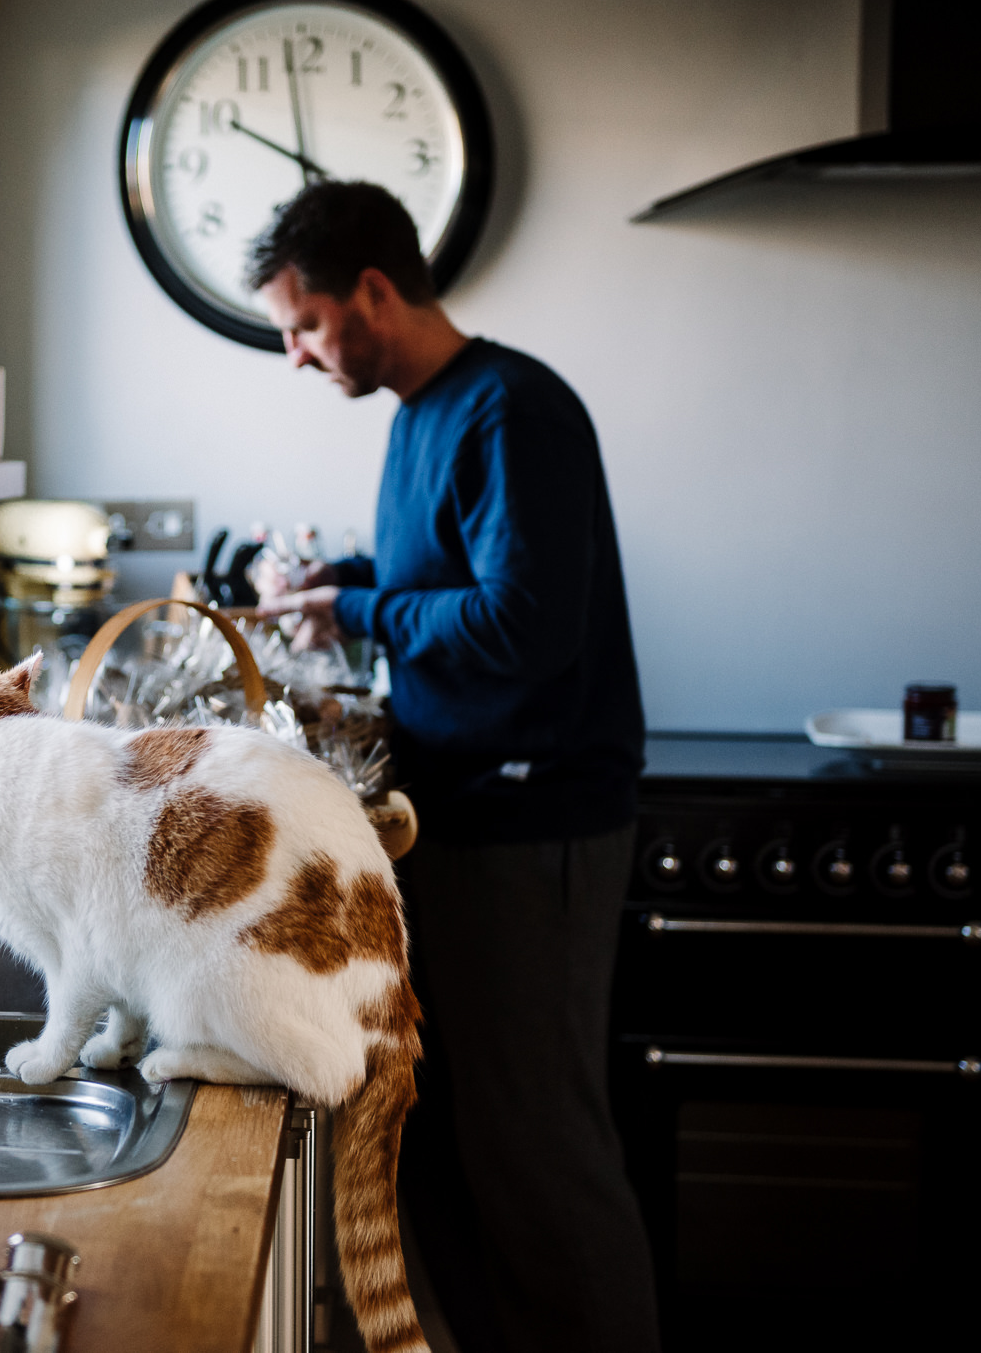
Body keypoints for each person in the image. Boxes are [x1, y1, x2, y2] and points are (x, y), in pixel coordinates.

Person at [249, 181, 658, 1353]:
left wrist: (363, 608)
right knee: (461, 1146)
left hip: (538, 828)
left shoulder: (514, 408)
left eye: (306, 323)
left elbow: (527, 624)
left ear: (376, 289)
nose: (296, 354)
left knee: (542, 1154)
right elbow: (450, 567)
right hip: (465, 818)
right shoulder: (421, 415)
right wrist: (345, 582)